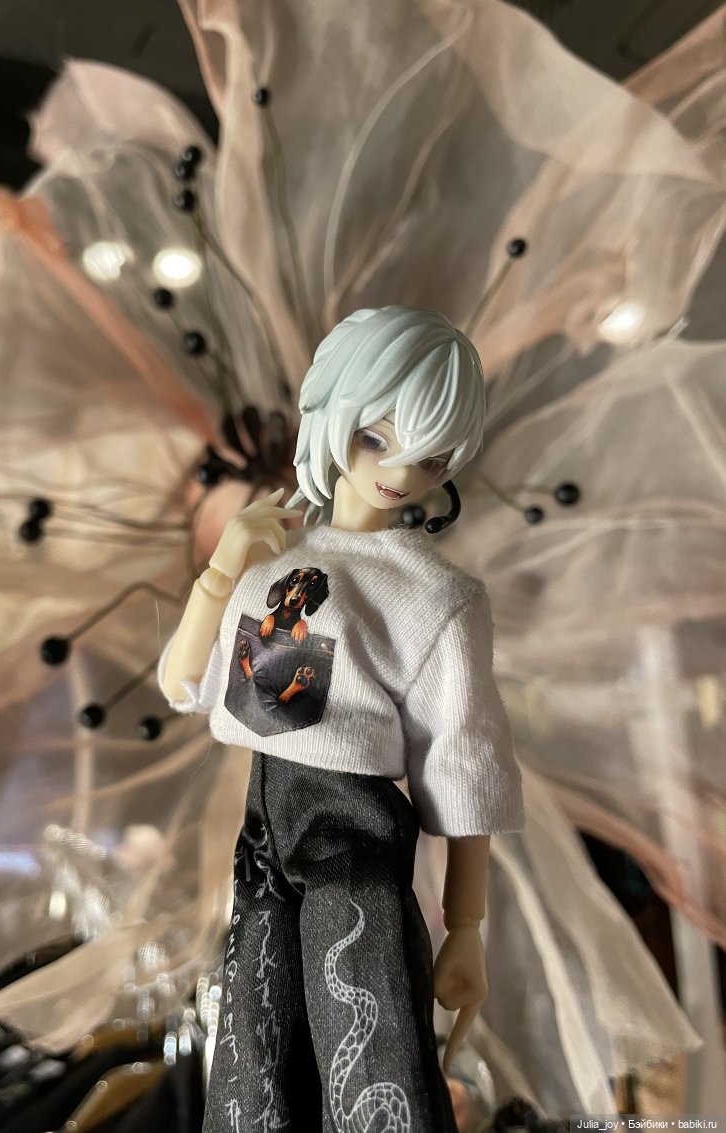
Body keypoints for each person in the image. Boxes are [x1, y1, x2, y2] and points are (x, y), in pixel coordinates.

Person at [160, 306, 524, 1132]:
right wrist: (224, 565)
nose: (399, 470)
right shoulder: (275, 562)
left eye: (430, 455)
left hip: (351, 841)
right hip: (262, 838)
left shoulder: (437, 594)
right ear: (333, 415)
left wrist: (464, 926)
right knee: (253, 1063)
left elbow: (462, 766)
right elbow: (184, 682)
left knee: (374, 1064)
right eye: (376, 438)